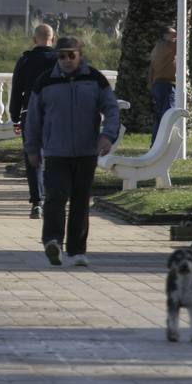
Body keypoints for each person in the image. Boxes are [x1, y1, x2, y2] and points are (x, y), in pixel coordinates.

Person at [23, 36, 120, 267]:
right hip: (56, 151)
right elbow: (33, 119)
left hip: (86, 152)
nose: (66, 60)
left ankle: (77, 251)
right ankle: (53, 242)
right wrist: (32, 149)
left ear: (80, 55)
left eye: (70, 55)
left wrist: (107, 136)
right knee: (55, 198)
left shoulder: (95, 79)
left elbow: (112, 109)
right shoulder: (45, 82)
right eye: (61, 56)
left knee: (80, 201)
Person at [9, 23, 57, 219]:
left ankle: (37, 202)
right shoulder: (60, 60)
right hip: (56, 114)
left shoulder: (25, 60)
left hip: (30, 114)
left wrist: (14, 117)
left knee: (33, 159)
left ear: (34, 39)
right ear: (52, 40)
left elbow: (17, 91)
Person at [148, 27, 177, 143]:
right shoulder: (169, 46)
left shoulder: (157, 47)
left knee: (161, 115)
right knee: (169, 115)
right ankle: (164, 143)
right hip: (167, 85)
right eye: (173, 33)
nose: (176, 35)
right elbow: (183, 45)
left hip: (158, 84)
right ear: (165, 35)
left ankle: (155, 142)